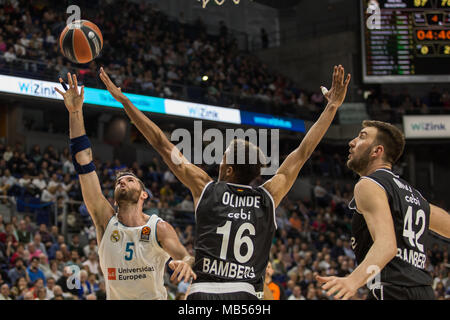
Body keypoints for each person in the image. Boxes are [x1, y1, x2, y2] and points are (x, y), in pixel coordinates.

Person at [99, 65, 351, 299]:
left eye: (223, 158)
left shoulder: (206, 187)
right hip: (246, 295)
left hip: (204, 292)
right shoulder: (268, 196)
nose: (218, 161)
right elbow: (302, 152)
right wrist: (331, 107)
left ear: (228, 169)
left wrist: (125, 102)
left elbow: (160, 143)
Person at [55, 73, 196, 300]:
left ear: (144, 195)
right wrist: (75, 112)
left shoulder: (159, 228)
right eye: (120, 181)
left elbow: (186, 256)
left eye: (130, 179)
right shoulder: (104, 219)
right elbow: (83, 161)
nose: (122, 181)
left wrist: (187, 262)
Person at [316, 120, 450, 300]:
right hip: (424, 291)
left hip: (392, 290)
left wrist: (352, 280)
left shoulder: (368, 184)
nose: (352, 142)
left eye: (362, 136)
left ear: (377, 151)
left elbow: (387, 246)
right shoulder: (414, 195)